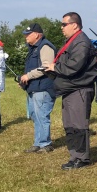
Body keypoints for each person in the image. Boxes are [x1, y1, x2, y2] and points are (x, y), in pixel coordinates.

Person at [45, 12, 97, 170]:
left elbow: (76, 65)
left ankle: (81, 158)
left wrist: (55, 67)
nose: (61, 27)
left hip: (79, 88)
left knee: (79, 124)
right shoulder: (71, 41)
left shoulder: (81, 42)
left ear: (75, 25)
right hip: (70, 88)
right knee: (70, 124)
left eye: (64, 24)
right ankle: (74, 155)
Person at [19, 23, 57, 153]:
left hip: (44, 88)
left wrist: (28, 76)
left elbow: (46, 67)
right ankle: (38, 142)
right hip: (35, 87)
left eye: (28, 34)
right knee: (36, 116)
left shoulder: (45, 46)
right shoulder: (34, 48)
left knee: (42, 116)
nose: (26, 37)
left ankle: (45, 144)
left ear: (36, 34)